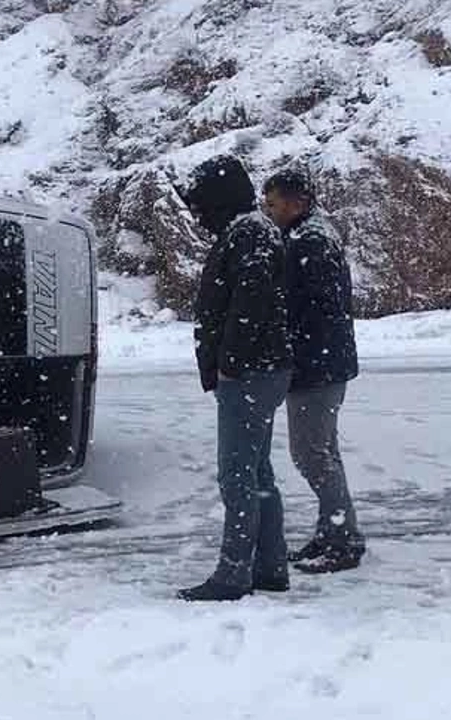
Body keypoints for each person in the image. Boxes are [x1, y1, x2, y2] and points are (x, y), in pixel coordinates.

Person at [175, 154, 293, 602]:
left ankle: (234, 573)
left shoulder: (247, 233)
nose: (199, 215)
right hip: (260, 369)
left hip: (250, 373)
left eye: (203, 205)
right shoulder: (251, 230)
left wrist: (230, 360)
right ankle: (269, 566)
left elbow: (252, 301)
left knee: (238, 474)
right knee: (257, 471)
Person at [262, 168, 365, 574]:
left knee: (310, 454)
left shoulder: (310, 241)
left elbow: (313, 308)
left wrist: (283, 337)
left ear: (298, 202)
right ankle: (333, 531)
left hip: (316, 366)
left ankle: (343, 540)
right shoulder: (309, 236)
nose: (267, 211)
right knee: (324, 453)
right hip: (322, 362)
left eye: (273, 204)